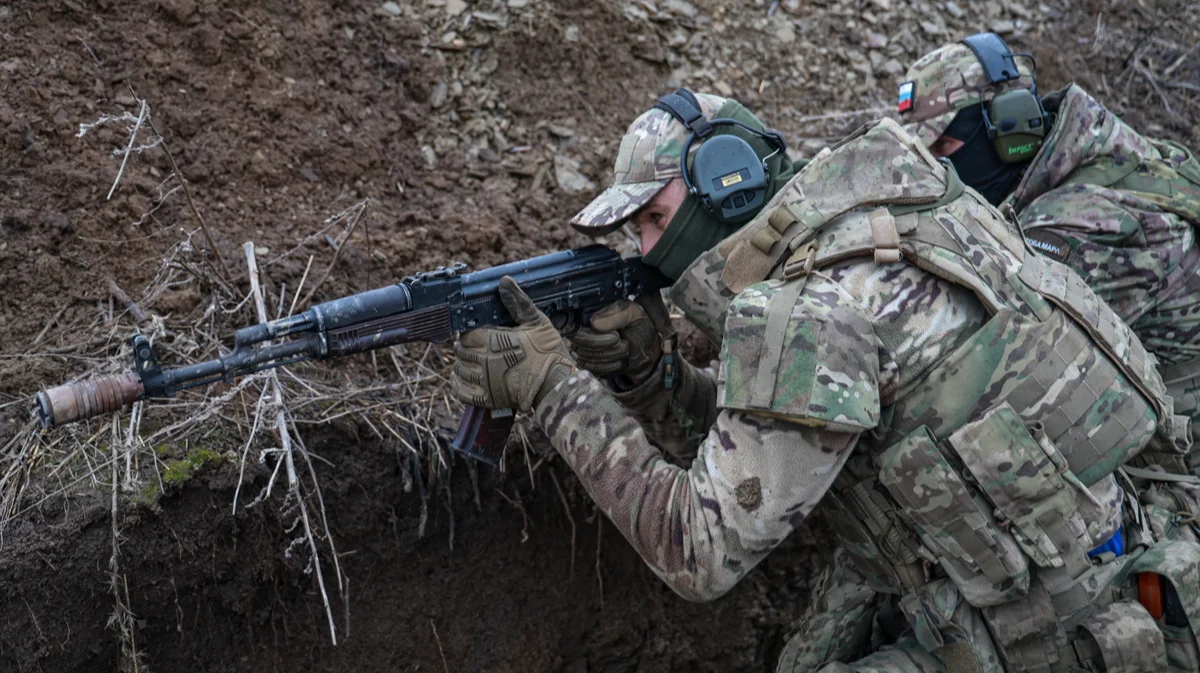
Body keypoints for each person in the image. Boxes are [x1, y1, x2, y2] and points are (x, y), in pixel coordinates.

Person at [451, 89, 1200, 671]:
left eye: (652, 217)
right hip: (1128, 575)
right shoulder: (897, 212)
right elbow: (767, 443)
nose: (647, 251)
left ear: (725, 186)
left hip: (1069, 640)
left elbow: (696, 550)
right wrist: (654, 379)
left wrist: (553, 388)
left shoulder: (808, 311)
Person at [899, 33, 1200, 476]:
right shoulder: (1090, 148)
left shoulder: (1079, 227)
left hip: (1178, 465)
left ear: (1008, 126)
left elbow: (1007, 377)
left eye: (942, 148)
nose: (934, 167)